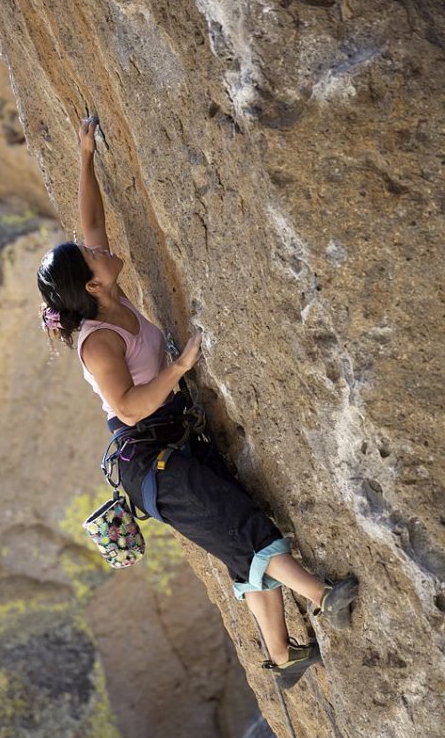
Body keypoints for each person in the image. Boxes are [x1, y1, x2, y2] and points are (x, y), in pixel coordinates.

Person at [37, 115, 358, 689]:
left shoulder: (107, 294)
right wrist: (181, 366)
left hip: (172, 446)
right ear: (91, 285)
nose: (98, 250)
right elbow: (131, 407)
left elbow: (90, 222)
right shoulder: (99, 342)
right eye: (91, 257)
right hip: (150, 464)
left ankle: (284, 657)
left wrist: (84, 154)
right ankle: (323, 597)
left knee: (240, 550)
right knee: (242, 524)